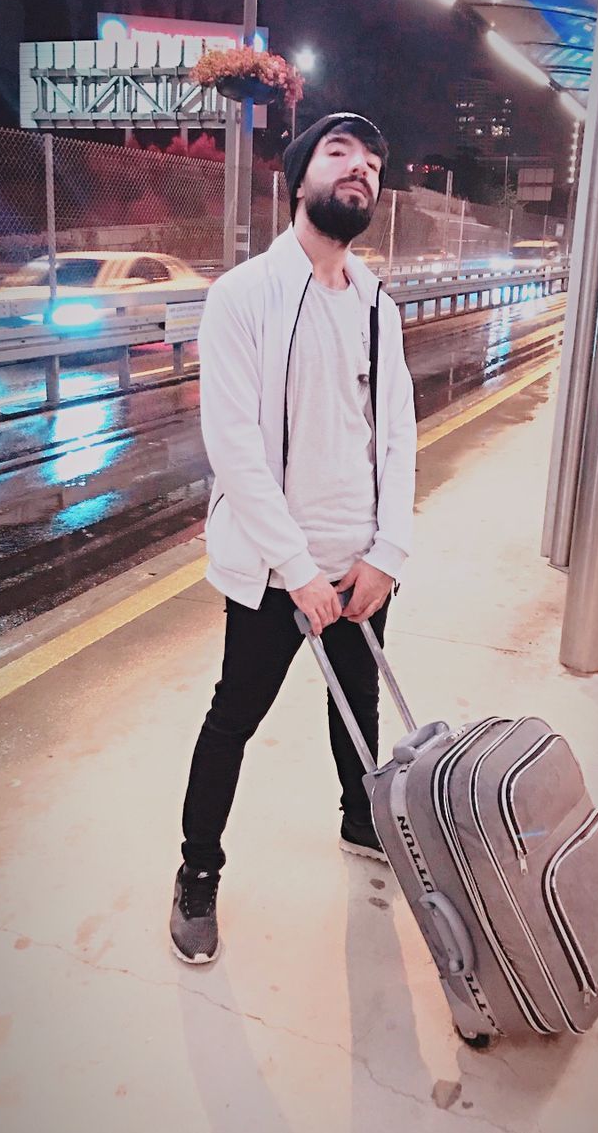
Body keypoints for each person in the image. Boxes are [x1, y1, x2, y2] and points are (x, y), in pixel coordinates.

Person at [170, 113, 417, 964]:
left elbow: (398, 438)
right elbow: (235, 448)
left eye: (373, 164)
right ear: (299, 175)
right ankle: (198, 870)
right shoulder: (244, 297)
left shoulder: (380, 306)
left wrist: (388, 554)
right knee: (234, 714)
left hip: (361, 565)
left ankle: (361, 819)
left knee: (360, 709)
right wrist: (299, 571)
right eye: (341, 154)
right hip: (278, 573)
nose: (361, 172)